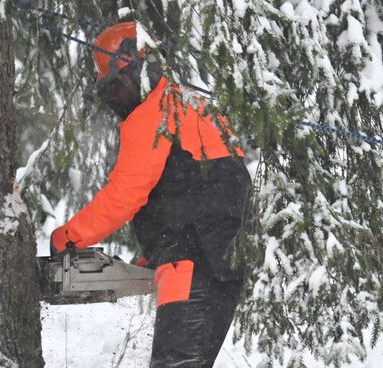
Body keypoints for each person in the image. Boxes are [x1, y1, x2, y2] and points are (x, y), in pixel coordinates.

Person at [50, 22, 252, 368]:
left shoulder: (157, 113)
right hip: (211, 264)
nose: (116, 96)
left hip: (195, 267)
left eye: (116, 84)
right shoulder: (191, 106)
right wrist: (161, 249)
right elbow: (201, 192)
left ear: (134, 66)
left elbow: (126, 194)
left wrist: (69, 236)